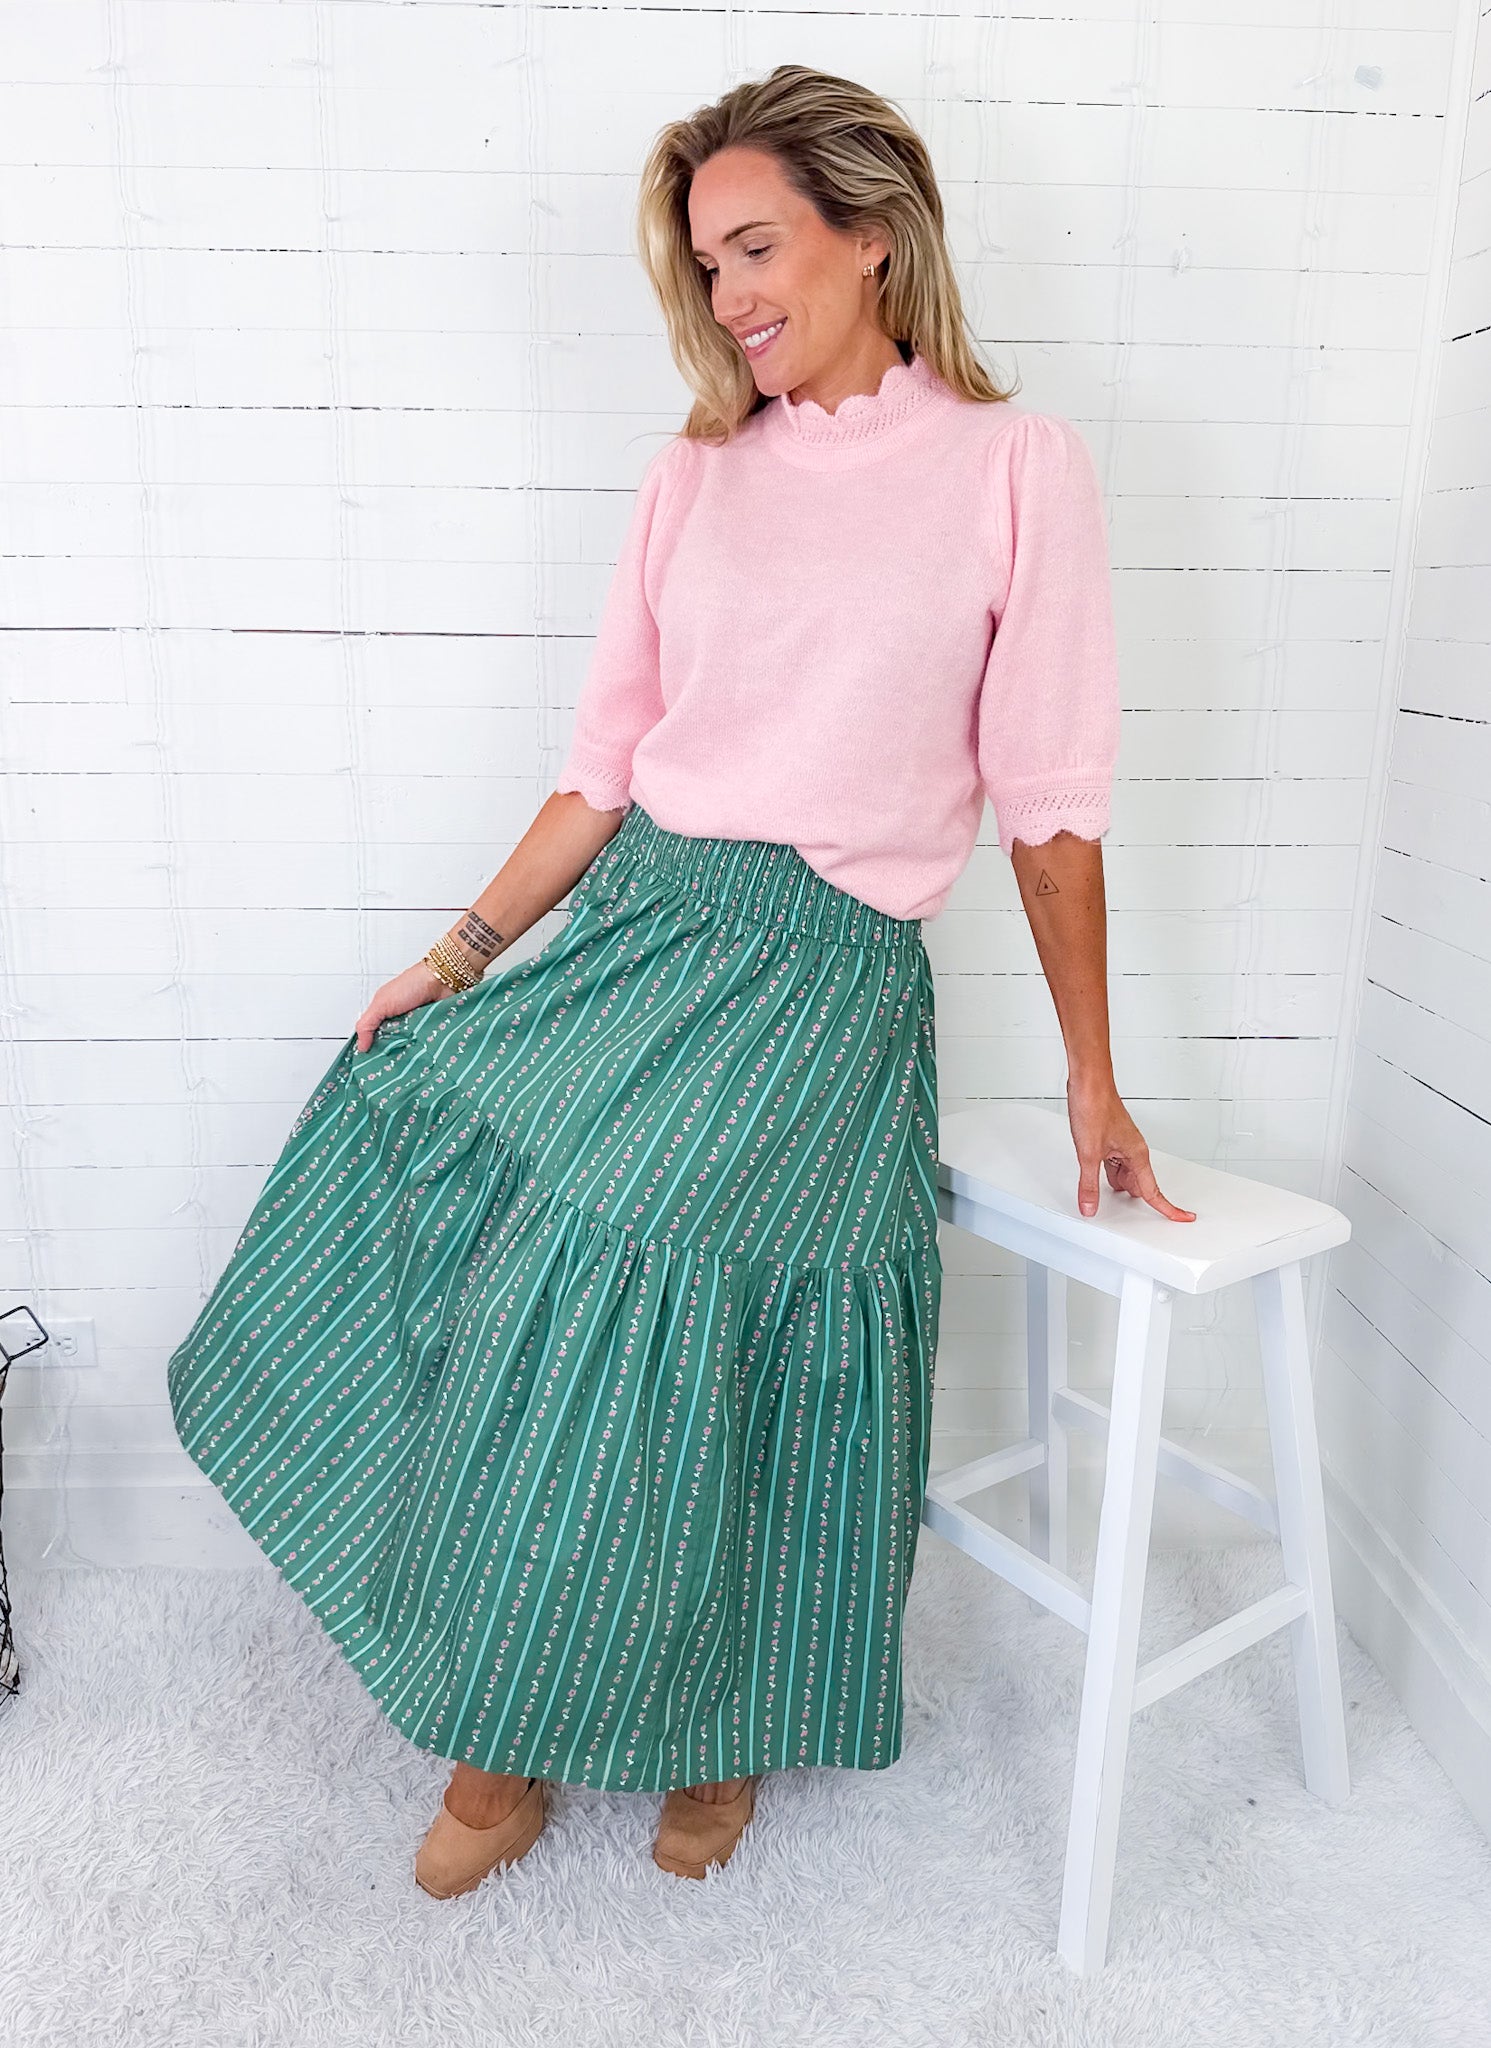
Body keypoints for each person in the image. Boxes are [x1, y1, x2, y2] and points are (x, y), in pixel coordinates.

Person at [166, 62, 1195, 1902]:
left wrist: (1094, 1077)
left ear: (871, 236)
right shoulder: (694, 474)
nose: (726, 301)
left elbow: (1047, 811)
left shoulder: (1010, 467)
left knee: (697, 1334)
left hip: (820, 985)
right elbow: (601, 770)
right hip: (640, 931)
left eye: (756, 249)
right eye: (702, 265)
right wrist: (457, 954)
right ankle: (506, 1721)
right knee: (485, 1217)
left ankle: (709, 1728)